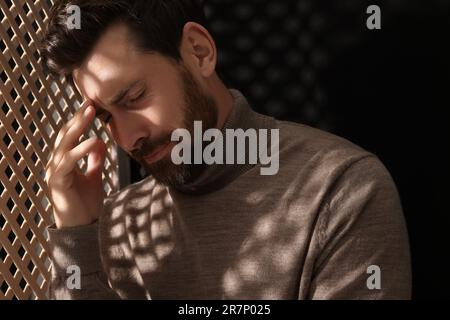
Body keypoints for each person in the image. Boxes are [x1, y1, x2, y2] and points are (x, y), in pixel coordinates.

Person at [40, 0, 411, 299]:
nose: (126, 138)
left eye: (135, 97)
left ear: (199, 52)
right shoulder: (123, 221)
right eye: (105, 117)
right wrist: (76, 238)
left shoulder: (341, 188)